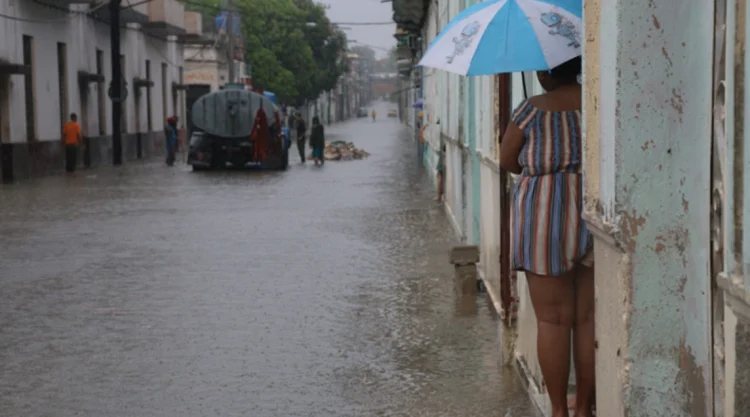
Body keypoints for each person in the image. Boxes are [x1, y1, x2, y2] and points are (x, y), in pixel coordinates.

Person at [498, 56, 594, 417]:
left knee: (553, 320)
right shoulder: (595, 100)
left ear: (544, 73)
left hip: (544, 212)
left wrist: (539, 168)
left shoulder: (530, 110)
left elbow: (508, 159)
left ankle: (558, 411)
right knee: (587, 319)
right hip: (591, 205)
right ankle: (584, 407)